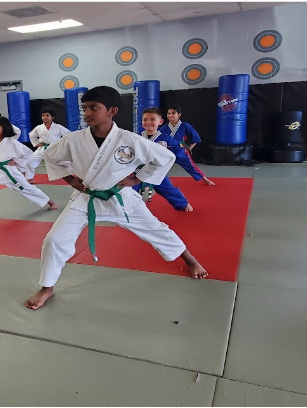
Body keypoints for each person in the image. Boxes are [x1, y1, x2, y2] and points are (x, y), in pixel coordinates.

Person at [26, 86, 209, 310]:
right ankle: (47, 287)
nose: (88, 113)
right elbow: (50, 155)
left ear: (112, 110)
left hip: (120, 197)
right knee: (54, 239)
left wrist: (138, 178)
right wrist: (69, 179)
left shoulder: (129, 140)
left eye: (94, 107)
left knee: (156, 230)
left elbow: (165, 157)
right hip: (87, 197)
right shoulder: (73, 139)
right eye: (85, 108)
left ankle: (190, 260)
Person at [0, 116, 57, 221]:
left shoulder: (11, 142)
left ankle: (49, 201)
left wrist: (16, 162)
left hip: (9, 171)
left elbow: (28, 154)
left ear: (4, 128)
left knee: (27, 188)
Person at [135, 108, 193, 212]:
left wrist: (189, 164)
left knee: (168, 189)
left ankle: (183, 204)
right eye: (145, 120)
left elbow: (179, 153)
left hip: (157, 171)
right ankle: (126, 207)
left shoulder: (167, 139)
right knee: (128, 188)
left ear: (160, 122)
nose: (148, 122)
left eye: (152, 119)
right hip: (138, 171)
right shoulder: (136, 138)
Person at [159, 106, 215, 186]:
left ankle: (205, 179)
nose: (170, 115)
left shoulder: (185, 126)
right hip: (167, 151)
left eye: (173, 113)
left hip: (180, 150)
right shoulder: (164, 128)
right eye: (169, 113)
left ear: (179, 115)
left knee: (191, 166)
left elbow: (195, 138)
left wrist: (189, 149)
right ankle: (149, 183)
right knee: (157, 166)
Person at [24, 107, 71, 182]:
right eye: (43, 115)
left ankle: (72, 175)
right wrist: (37, 144)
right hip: (43, 148)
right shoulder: (39, 128)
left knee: (65, 162)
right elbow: (31, 135)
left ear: (52, 117)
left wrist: (62, 143)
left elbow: (68, 134)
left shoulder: (58, 127)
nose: (45, 117)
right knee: (30, 161)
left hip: (55, 148)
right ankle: (30, 178)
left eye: (47, 115)